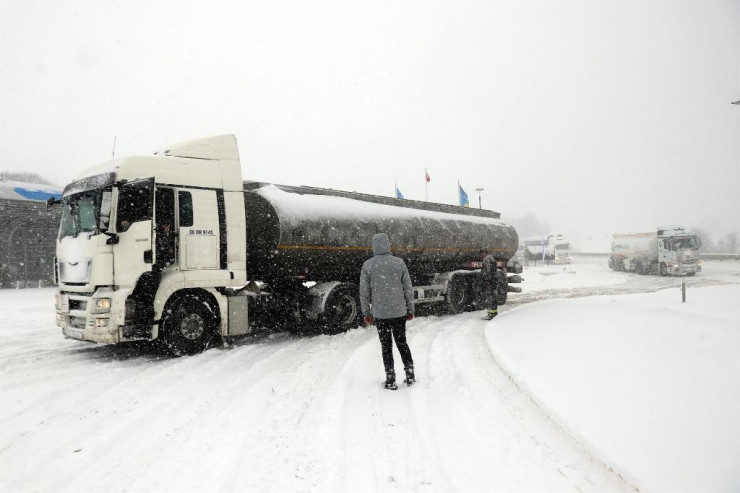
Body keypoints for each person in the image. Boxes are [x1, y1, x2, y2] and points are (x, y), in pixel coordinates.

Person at [360, 233, 415, 390]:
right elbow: (408, 289)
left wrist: (366, 313)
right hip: (399, 312)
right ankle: (410, 374)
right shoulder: (399, 263)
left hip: (380, 314)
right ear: (388, 244)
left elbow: (364, 293)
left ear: (374, 246)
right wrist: (410, 309)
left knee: (386, 346)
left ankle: (390, 379)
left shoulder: (368, 265)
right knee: (402, 343)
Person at [479, 248, 499, 320]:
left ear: (485, 253)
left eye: (482, 253)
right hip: (493, 280)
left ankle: (490, 315)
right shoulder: (491, 258)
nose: (481, 255)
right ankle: (494, 313)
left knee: (490, 297)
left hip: (490, 281)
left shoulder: (487, 259)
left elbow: (488, 271)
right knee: (492, 297)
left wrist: (487, 280)